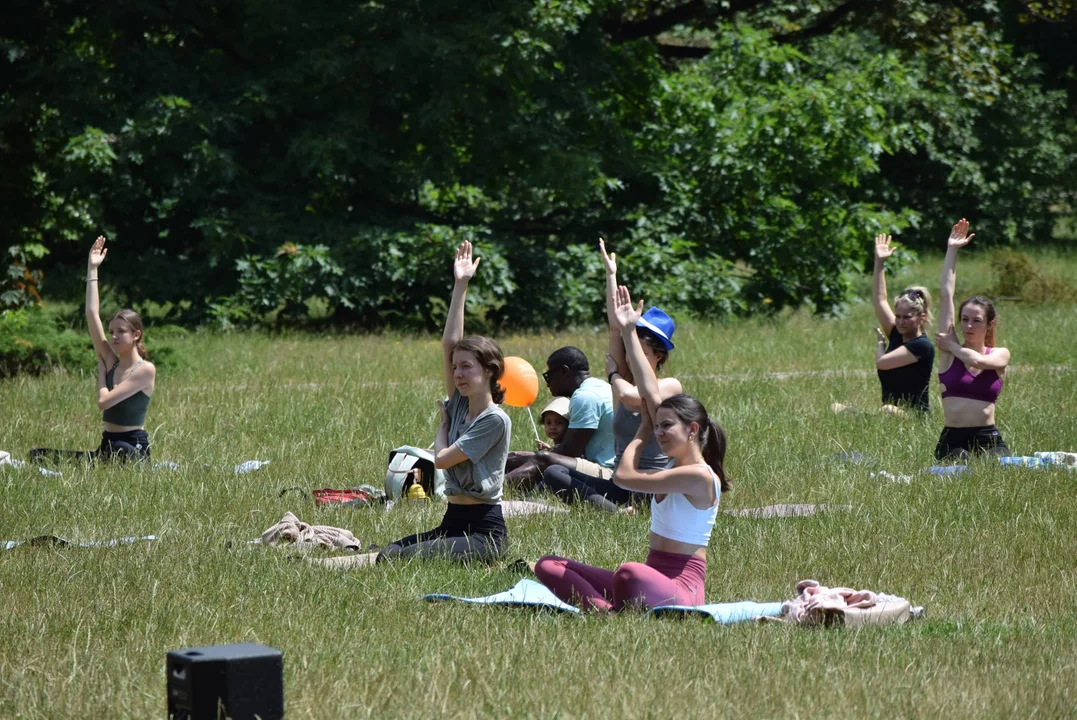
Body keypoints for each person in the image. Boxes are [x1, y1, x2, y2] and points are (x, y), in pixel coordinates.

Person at [376, 240, 512, 564]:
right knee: (388, 554)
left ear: (490, 371)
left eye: (467, 366)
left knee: (399, 561)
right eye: (455, 367)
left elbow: (442, 460)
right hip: (452, 521)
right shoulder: (461, 403)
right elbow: (450, 342)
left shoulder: (495, 420)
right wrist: (460, 284)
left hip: (484, 534)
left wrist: (443, 427)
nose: (458, 373)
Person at [535, 393, 729, 611]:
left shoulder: (700, 477)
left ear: (692, 429)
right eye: (656, 426)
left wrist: (643, 429)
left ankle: (612, 607)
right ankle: (603, 611)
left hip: (682, 590)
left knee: (629, 573)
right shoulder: (671, 468)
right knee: (549, 565)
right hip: (651, 580)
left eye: (666, 425)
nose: (658, 433)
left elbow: (623, 476)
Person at [540, 239, 682, 511]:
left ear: (658, 357)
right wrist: (610, 274)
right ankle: (617, 513)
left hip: (651, 485)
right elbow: (616, 329)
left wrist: (614, 374)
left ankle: (618, 513)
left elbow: (632, 398)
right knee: (554, 474)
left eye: (638, 352)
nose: (630, 358)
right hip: (620, 483)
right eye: (630, 351)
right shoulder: (623, 378)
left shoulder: (669, 386)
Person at [30, 236, 156, 464]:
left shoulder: (145, 369)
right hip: (108, 443)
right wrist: (92, 268)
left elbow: (104, 402)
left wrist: (101, 376)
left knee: (119, 450)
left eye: (121, 332)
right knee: (38, 455)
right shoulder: (111, 360)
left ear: (136, 335)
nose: (114, 337)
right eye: (111, 332)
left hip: (132, 446)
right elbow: (91, 314)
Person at [933, 218, 1010, 460]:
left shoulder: (999, 354)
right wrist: (952, 250)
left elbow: (978, 362)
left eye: (976, 320)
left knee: (1002, 472)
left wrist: (953, 346)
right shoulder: (948, 352)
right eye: (964, 319)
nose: (968, 325)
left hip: (988, 436)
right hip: (953, 437)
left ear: (990, 325)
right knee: (959, 469)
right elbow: (946, 296)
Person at [833, 233, 934, 415]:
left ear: (921, 317)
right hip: (886, 413)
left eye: (907, 317)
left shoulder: (922, 346)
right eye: (898, 316)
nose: (901, 322)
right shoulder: (897, 332)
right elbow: (880, 300)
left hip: (912, 416)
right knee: (836, 408)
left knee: (887, 410)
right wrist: (879, 262)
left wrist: (881, 343)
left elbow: (882, 362)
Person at [504, 346, 615, 489]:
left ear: (564, 371)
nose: (547, 383)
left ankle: (491, 492)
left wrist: (524, 458)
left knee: (543, 459)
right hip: (610, 467)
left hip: (609, 472)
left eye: (548, 376)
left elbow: (568, 453)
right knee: (522, 457)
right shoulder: (599, 386)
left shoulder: (585, 397)